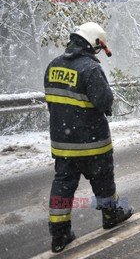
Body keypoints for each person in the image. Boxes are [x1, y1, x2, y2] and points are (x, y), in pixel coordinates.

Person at [44, 22, 134, 253]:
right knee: (103, 178)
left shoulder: (53, 66)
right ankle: (111, 214)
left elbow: (53, 103)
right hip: (92, 142)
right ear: (94, 44)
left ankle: (60, 234)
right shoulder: (90, 69)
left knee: (63, 185)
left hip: (63, 145)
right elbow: (104, 101)